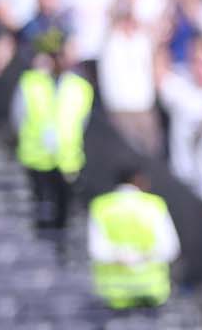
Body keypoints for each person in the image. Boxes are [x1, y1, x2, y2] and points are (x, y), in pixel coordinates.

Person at [14, 46, 93, 251]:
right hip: (36, 154)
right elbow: (18, 115)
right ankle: (43, 240)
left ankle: (59, 243)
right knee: (42, 202)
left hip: (67, 157)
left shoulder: (80, 87)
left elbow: (82, 120)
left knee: (63, 205)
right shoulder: (32, 82)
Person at [86, 167, 179, 314]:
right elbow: (170, 248)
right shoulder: (154, 205)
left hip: (114, 292)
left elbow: (97, 250)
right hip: (151, 289)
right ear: (138, 181)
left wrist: (122, 256)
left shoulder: (101, 206)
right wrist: (143, 256)